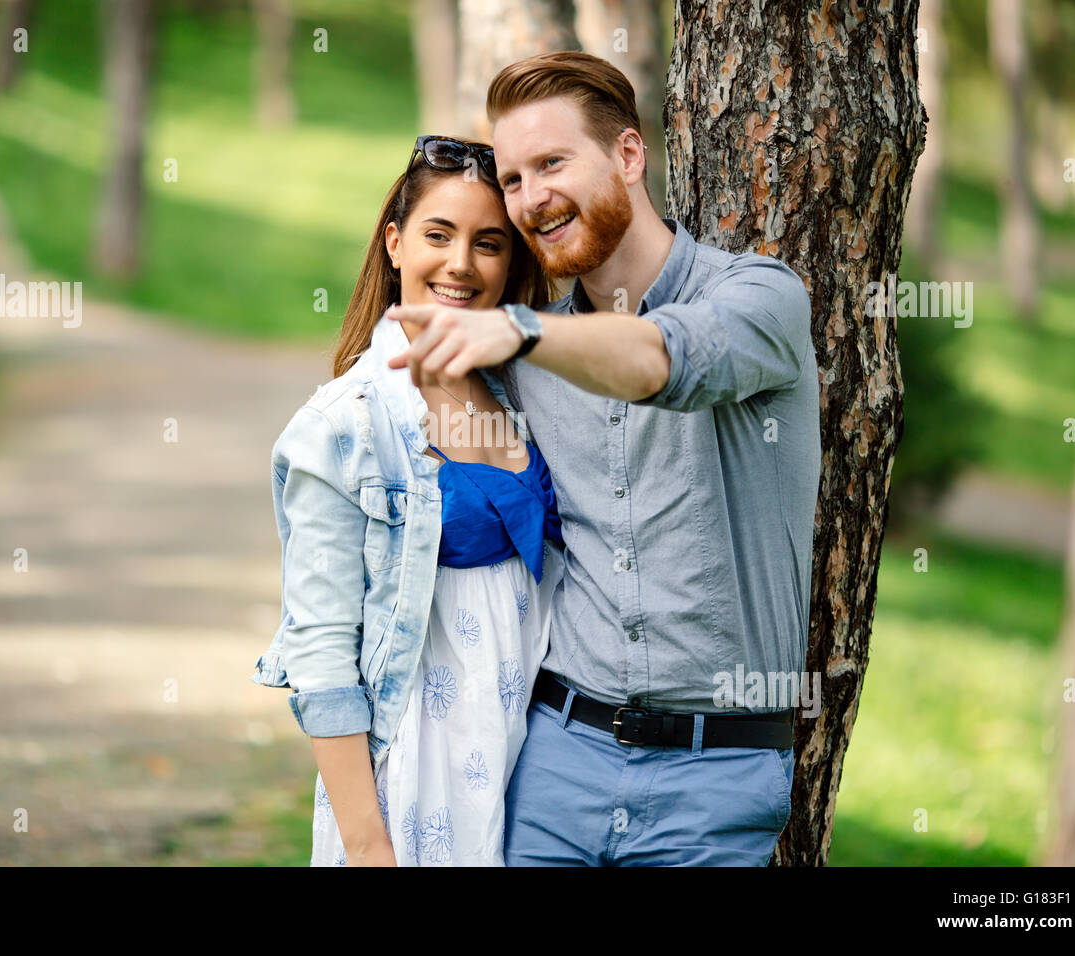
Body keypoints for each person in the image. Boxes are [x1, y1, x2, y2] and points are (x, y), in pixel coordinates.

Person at [386, 51, 820, 866]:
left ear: (628, 155)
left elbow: (664, 360)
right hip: (552, 760)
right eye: (513, 179)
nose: (532, 199)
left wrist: (527, 332)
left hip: (715, 775)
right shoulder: (515, 361)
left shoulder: (761, 300)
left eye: (553, 163)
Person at [252, 135, 565, 866]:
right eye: (439, 234)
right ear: (395, 243)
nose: (462, 264)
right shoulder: (345, 425)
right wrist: (368, 845)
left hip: (536, 762)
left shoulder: (528, 394)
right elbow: (321, 650)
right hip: (417, 781)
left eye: (489, 243)